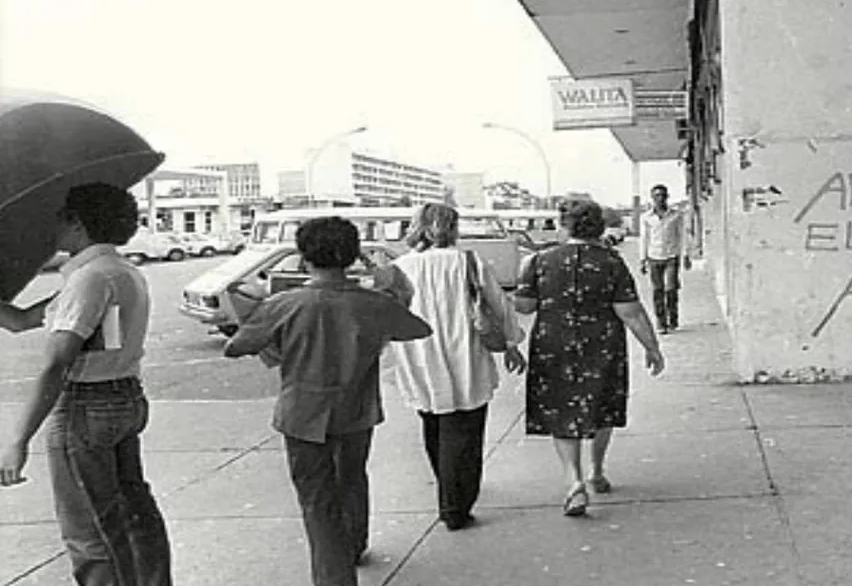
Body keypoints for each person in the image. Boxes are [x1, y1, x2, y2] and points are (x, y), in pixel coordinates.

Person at [223, 216, 430, 586]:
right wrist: (394, 286)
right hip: (357, 410)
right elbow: (418, 328)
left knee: (317, 499)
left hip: (302, 414)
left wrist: (264, 326)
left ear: (304, 257)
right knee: (352, 478)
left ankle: (334, 578)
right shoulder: (374, 303)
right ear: (352, 256)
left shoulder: (284, 303)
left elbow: (235, 347)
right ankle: (354, 543)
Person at [0, 182, 173, 585]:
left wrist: (18, 441)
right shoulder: (119, 272)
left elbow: (57, 364)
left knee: (89, 530)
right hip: (123, 399)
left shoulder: (89, 280)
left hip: (85, 408)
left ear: (77, 224)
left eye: (59, 218)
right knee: (133, 514)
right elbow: (21, 321)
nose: (53, 228)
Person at [514, 199, 665, 516]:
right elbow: (631, 312)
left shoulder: (540, 261)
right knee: (601, 404)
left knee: (559, 408)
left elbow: (524, 307)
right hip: (602, 343)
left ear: (564, 225)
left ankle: (574, 481)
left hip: (553, 343)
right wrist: (652, 347)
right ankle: (597, 471)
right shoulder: (611, 262)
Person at [387, 203, 526, 531]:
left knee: (433, 422)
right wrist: (511, 343)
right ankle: (455, 504)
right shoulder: (467, 261)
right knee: (465, 429)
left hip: (418, 355)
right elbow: (497, 304)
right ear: (451, 227)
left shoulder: (399, 267)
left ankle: (448, 487)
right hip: (463, 353)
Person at [639, 184, 691, 334]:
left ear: (667, 196)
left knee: (671, 289)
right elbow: (644, 238)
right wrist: (642, 259)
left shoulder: (676, 215)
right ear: (652, 198)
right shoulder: (647, 218)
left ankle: (673, 319)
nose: (660, 198)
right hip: (654, 257)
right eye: (657, 196)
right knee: (657, 290)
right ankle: (661, 322)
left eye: (662, 195)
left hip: (671, 256)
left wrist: (686, 254)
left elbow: (682, 235)